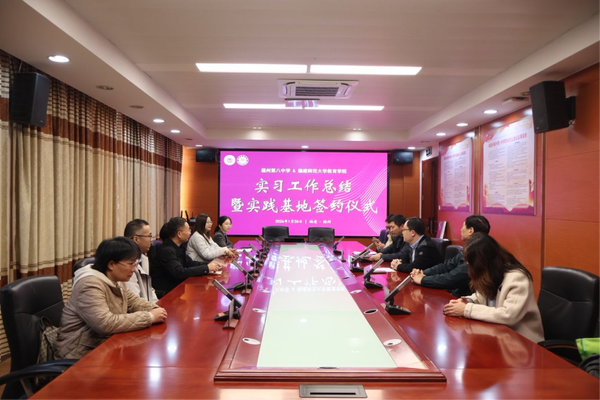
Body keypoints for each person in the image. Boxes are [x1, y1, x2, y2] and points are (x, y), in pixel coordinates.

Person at [56, 237, 168, 359]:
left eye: (135, 263)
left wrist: (155, 308)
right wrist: (150, 317)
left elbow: (133, 301)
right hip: (81, 354)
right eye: (131, 264)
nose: (134, 269)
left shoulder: (115, 279)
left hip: (105, 346)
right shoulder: (89, 285)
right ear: (111, 264)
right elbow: (105, 323)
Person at [442, 233, 544, 343]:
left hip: (522, 342)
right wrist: (468, 301)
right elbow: (482, 294)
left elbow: (508, 315)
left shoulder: (517, 278)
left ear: (482, 262)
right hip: (499, 335)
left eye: (470, 263)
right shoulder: (492, 273)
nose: (469, 267)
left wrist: (466, 309)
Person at [411, 215, 490, 297]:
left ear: (470, 231)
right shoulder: (467, 249)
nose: (461, 229)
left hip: (465, 298)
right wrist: (423, 273)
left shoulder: (479, 253)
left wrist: (422, 280)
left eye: (463, 226)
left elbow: (451, 279)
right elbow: (445, 266)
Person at [151, 217, 221, 297]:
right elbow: (180, 272)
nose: (190, 233)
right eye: (188, 230)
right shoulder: (166, 251)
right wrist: (207, 268)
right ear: (179, 234)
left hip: (176, 291)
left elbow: (190, 263)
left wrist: (210, 264)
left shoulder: (179, 247)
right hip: (167, 294)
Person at [123, 219, 158, 302]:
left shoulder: (143, 258)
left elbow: (149, 288)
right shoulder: (125, 263)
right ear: (136, 239)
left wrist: (157, 304)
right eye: (149, 236)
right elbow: (134, 299)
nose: (151, 239)